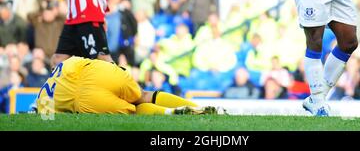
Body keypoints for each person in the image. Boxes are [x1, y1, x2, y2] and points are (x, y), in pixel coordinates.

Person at [36, 56, 221, 115]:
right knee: (143, 95)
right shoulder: (66, 62)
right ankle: (200, 108)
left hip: (85, 101)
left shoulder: (42, 100)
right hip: (98, 72)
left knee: (134, 110)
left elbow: (46, 119)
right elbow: (98, 61)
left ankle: (172, 113)